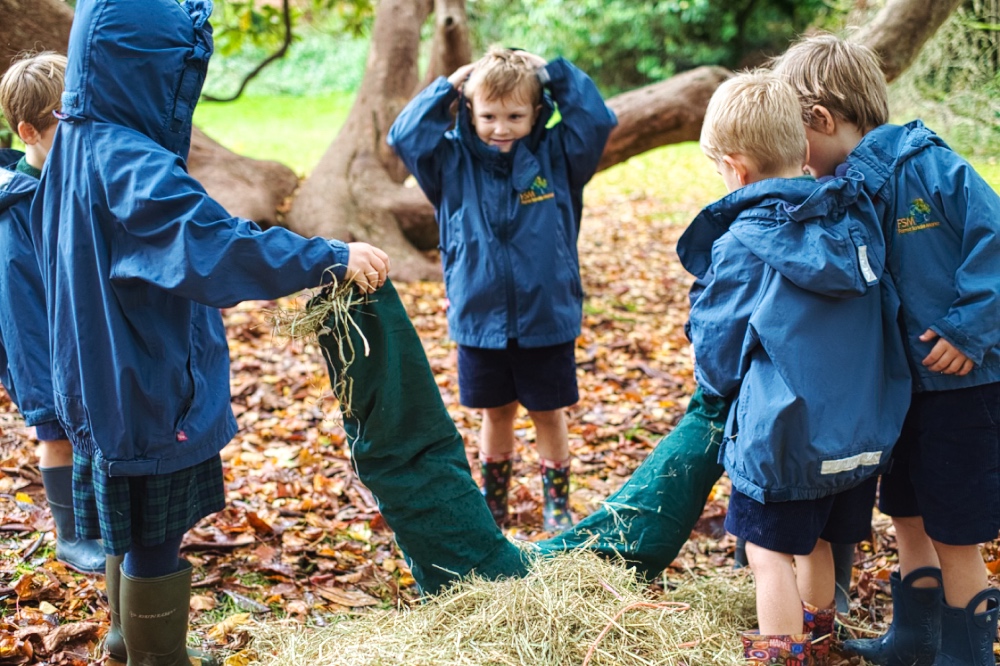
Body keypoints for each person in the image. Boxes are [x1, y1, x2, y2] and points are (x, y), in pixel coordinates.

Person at [30, 1, 389, 664]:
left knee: (128, 524)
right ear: (149, 72)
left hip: (97, 380)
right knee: (157, 539)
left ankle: (123, 636)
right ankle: (156, 655)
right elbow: (214, 246)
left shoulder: (75, 140)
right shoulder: (130, 163)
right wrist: (325, 256)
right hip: (145, 383)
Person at [773, 34, 1000, 666]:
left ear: (820, 119)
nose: (799, 162)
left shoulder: (928, 166)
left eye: (798, 144)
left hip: (963, 385)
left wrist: (967, 329)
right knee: (906, 512)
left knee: (956, 531)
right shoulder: (844, 190)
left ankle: (967, 653)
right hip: (901, 389)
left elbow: (996, 241)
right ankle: (915, 637)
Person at [678, 70, 910, 665]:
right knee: (818, 544)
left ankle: (783, 655)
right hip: (855, 435)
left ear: (735, 168)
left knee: (766, 554)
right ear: (800, 148)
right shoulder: (851, 222)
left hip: (781, 441)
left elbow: (719, 339)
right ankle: (822, 641)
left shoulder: (745, 240)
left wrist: (716, 386)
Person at [387, 46, 616, 532]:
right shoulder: (449, 163)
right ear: (469, 111)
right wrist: (451, 83)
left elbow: (597, 120)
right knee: (496, 414)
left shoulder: (557, 158)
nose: (501, 127)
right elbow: (405, 134)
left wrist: (551, 71)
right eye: (489, 115)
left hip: (545, 316)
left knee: (548, 413)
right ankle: (494, 504)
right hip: (480, 317)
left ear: (537, 113)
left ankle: (557, 504)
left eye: (515, 115)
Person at [0, 53, 104, 575]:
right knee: (57, 437)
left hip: (80, 340)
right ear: (28, 131)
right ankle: (71, 535)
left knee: (91, 432)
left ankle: (98, 521)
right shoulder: (15, 213)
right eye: (67, 126)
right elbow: (18, 313)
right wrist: (40, 392)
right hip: (39, 350)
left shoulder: (72, 186)